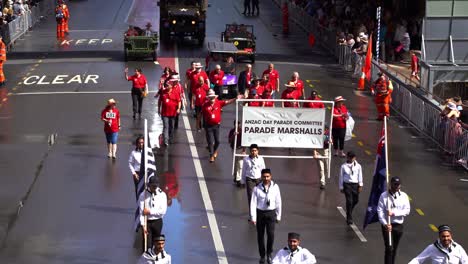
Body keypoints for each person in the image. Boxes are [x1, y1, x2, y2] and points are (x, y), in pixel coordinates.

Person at [251, 168, 282, 264]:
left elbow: (278, 201)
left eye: (268, 176)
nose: (266, 178)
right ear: (261, 177)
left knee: (271, 235)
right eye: (264, 176)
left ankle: (269, 254)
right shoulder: (256, 188)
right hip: (260, 213)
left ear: (271, 176)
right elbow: (253, 203)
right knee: (260, 236)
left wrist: (278, 215)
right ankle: (262, 256)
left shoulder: (275, 187)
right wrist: (253, 217)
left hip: (271, 213)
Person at [377, 176, 411, 264]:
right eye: (395, 184)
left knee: (394, 248)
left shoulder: (404, 196)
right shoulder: (384, 196)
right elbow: (380, 211)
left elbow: (407, 210)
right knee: (389, 248)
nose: (397, 186)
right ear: (391, 184)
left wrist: (394, 213)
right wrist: (385, 224)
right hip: (387, 225)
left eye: (398, 185)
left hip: (398, 226)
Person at [202, 89, 238, 162]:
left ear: (215, 97)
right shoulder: (205, 105)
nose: (212, 99)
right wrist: (200, 124)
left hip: (216, 126)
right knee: (210, 142)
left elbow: (227, 102)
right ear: (208, 98)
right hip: (208, 126)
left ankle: (214, 151)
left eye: (213, 97)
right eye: (210, 97)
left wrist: (235, 98)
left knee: (217, 141)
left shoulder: (218, 103)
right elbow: (201, 115)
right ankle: (211, 155)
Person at [138, 176, 168, 250]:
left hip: (158, 222)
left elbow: (163, 211)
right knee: (147, 245)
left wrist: (150, 212)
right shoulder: (143, 195)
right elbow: (141, 212)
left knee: (157, 244)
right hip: (147, 222)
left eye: (156, 186)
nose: (154, 188)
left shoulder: (162, 195)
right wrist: (143, 225)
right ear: (149, 185)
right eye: (152, 186)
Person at [338, 151, 363, 225]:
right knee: (349, 201)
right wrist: (341, 187)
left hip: (355, 185)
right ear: (347, 157)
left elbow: (360, 175)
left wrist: (360, 185)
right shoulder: (344, 166)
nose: (352, 159)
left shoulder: (358, 166)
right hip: (347, 185)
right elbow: (341, 177)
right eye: (350, 157)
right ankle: (349, 218)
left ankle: (349, 211)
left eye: (353, 157)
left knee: (356, 200)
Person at [242, 144, 266, 210]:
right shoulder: (246, 159)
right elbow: (244, 170)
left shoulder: (261, 159)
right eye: (252, 150)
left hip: (258, 179)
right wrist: (243, 180)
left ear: (258, 151)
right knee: (251, 197)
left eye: (255, 150)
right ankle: (251, 214)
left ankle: (259, 212)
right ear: (250, 151)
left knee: (260, 196)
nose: (254, 152)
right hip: (249, 179)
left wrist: (264, 180)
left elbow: (263, 169)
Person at [229, 121, 246, 187]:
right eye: (235, 124)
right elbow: (229, 140)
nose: (237, 125)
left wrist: (244, 150)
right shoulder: (232, 131)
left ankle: (239, 179)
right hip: (234, 149)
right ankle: (236, 176)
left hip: (241, 149)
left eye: (238, 124)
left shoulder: (242, 131)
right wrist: (234, 135)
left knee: (240, 164)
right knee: (236, 163)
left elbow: (245, 141)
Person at [314, 125, 330, 190]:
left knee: (326, 168)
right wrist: (315, 153)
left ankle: (324, 178)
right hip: (319, 151)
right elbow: (314, 143)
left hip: (326, 151)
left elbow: (330, 141)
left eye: (325, 129)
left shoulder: (328, 134)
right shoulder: (318, 133)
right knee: (321, 168)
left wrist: (330, 141)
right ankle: (322, 183)